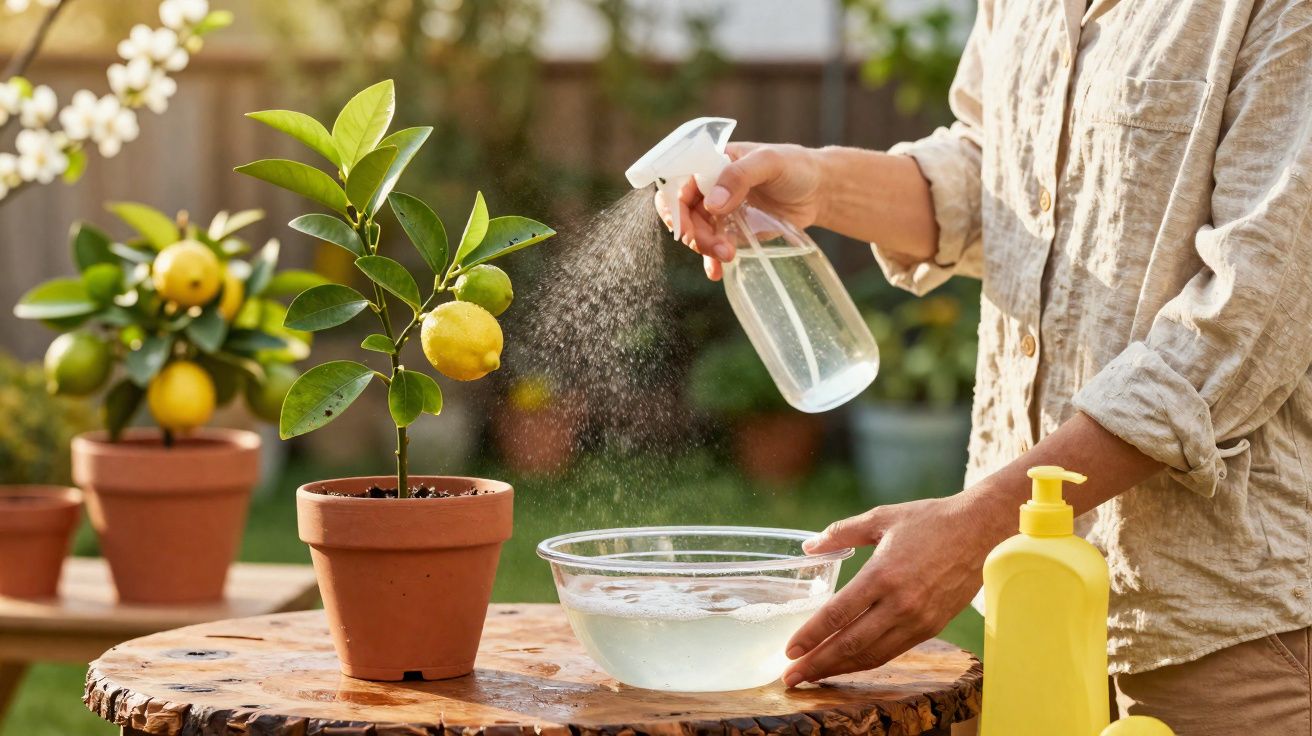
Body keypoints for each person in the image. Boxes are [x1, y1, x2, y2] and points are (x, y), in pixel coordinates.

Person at [658, 0, 1312, 732]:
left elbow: (1247, 322)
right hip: (1034, 606)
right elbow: (997, 175)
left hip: (1228, 626)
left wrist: (980, 526)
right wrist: (820, 181)